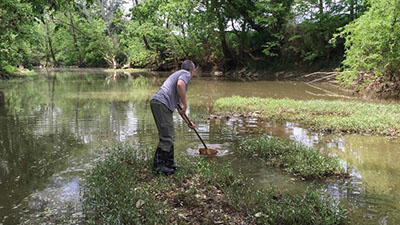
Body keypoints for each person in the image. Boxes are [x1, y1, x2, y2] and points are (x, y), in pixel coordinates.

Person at [150, 60, 196, 175]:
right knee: (167, 136)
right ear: (192, 71)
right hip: (161, 104)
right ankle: (158, 166)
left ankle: (169, 163)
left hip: (160, 104)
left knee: (170, 135)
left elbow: (180, 110)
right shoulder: (185, 74)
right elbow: (180, 85)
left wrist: (188, 123)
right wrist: (185, 104)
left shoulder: (178, 75)